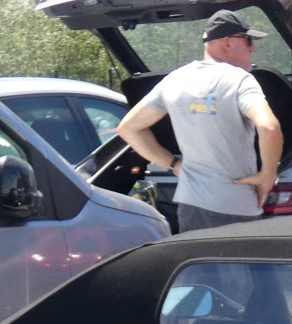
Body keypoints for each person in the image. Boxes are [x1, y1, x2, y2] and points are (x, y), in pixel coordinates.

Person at [116, 9, 283, 232]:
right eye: (248, 40)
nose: (253, 47)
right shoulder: (240, 80)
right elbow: (269, 127)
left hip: (191, 208)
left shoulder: (175, 80)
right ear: (227, 42)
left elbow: (128, 128)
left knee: (199, 268)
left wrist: (173, 165)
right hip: (236, 208)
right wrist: (267, 176)